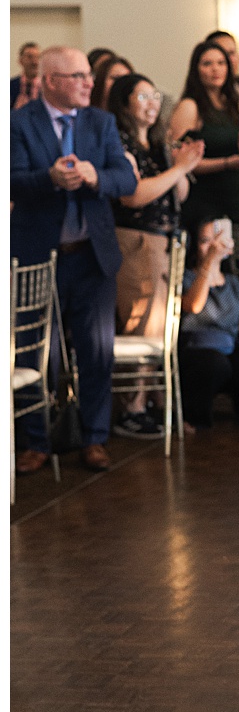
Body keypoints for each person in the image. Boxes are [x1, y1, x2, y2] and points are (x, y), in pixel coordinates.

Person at [10, 45, 136, 473]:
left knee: (96, 351)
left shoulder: (101, 122)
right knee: (36, 354)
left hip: (92, 257)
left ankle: (94, 438)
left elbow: (125, 177)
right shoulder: (19, 121)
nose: (89, 82)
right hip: (37, 257)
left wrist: (94, 175)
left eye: (88, 74)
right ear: (50, 81)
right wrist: (49, 179)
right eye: (77, 76)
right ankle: (36, 442)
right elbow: (10, 180)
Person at [108, 72, 204, 436]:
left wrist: (183, 164)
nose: (153, 103)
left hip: (164, 238)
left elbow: (178, 194)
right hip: (134, 239)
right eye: (143, 96)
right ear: (125, 102)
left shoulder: (157, 143)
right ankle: (131, 408)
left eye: (155, 96)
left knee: (159, 323)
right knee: (141, 320)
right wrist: (180, 168)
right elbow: (132, 195)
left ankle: (148, 400)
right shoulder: (119, 143)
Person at [179, 218, 239, 428]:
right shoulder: (185, 278)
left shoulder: (236, 285)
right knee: (215, 365)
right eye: (205, 241)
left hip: (230, 350)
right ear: (195, 246)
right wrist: (209, 263)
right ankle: (193, 416)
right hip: (196, 351)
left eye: (217, 240)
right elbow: (193, 306)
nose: (213, 245)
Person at [166, 40, 239, 226]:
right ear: (196, 69)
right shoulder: (190, 107)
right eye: (207, 64)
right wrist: (227, 163)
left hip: (237, 195)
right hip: (204, 201)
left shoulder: (233, 104)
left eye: (221, 63)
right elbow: (178, 161)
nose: (215, 69)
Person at [11, 40, 40, 110]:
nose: (35, 62)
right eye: (30, 57)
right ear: (20, 61)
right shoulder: (10, 86)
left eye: (38, 57)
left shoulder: (49, 87)